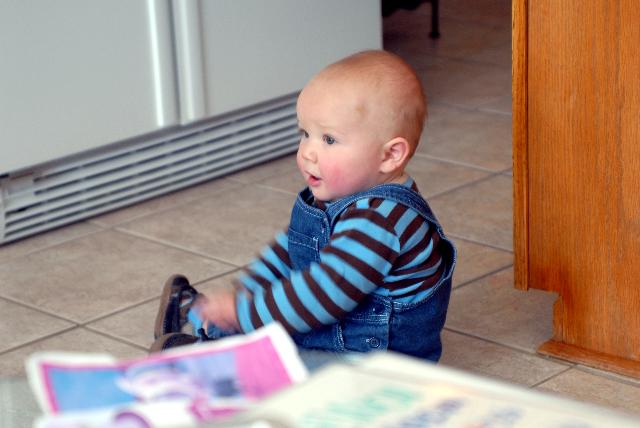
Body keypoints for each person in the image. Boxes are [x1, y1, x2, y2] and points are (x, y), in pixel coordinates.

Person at [151, 50, 456, 361]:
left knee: (283, 365)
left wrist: (244, 314)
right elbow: (288, 253)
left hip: (379, 358)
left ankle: (202, 347)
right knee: (266, 320)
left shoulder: (380, 219)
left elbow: (325, 293)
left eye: (329, 140)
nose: (308, 152)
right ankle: (201, 320)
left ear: (390, 155)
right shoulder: (339, 196)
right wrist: (244, 296)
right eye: (305, 134)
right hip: (339, 331)